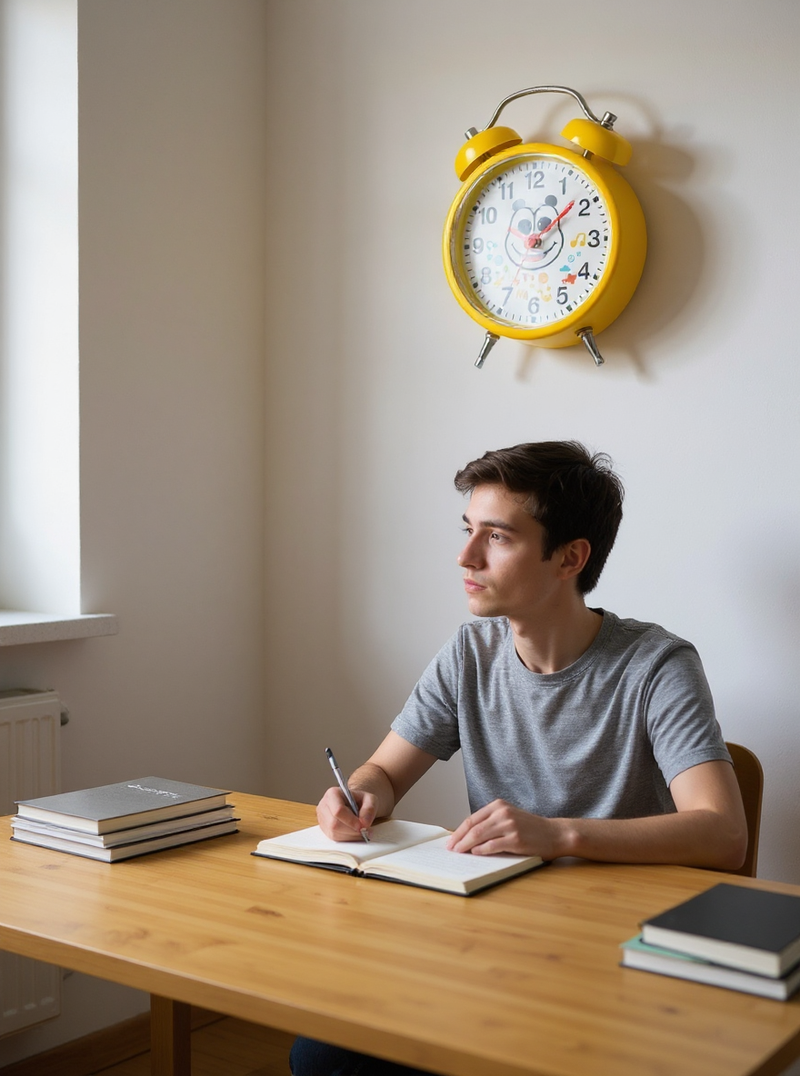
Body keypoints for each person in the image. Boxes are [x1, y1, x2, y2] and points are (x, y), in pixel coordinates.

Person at [290, 441, 746, 1076]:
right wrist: (359, 792)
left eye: (497, 537)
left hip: (617, 954)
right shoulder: (470, 652)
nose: (465, 556)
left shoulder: (657, 665)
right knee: (324, 1052)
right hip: (494, 938)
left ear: (570, 557)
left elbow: (723, 834)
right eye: (468, 531)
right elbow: (386, 771)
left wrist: (555, 834)